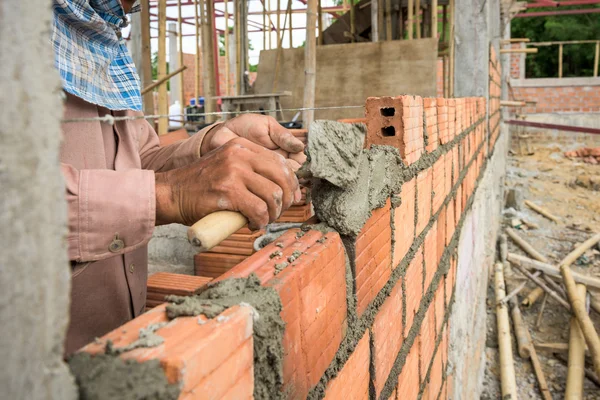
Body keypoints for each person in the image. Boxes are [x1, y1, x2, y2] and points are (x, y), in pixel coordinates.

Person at [53, 0, 306, 355]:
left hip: (113, 356)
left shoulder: (99, 31)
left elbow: (135, 162)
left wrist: (211, 146)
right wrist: (173, 195)